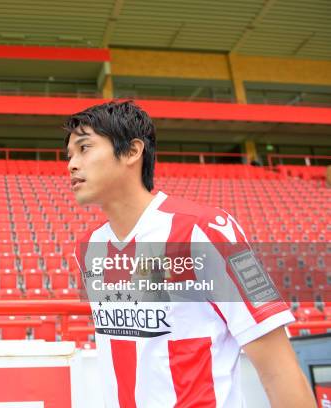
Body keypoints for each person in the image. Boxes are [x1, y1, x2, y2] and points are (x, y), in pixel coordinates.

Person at [64, 100, 316, 407]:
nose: (71, 164)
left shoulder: (205, 230)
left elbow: (278, 368)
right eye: (69, 155)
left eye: (85, 148)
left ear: (132, 151)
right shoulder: (89, 248)